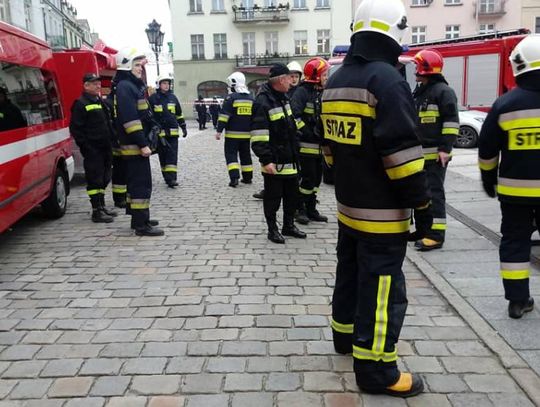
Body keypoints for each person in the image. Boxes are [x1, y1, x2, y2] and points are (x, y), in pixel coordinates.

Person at [322, 0, 432, 397]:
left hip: (348, 206)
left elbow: (329, 150)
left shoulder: (335, 80)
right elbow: (402, 153)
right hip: (383, 213)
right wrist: (422, 205)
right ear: (396, 30)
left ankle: (344, 337)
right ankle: (376, 371)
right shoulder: (386, 79)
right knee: (384, 289)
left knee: (349, 273)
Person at [478, 34, 540, 319]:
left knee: (515, 243)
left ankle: (517, 301)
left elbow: (487, 149)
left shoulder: (505, 104)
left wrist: (488, 179)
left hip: (516, 193)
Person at [251, 63, 306, 244]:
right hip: (274, 161)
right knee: (273, 198)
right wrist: (266, 161)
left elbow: (290, 125)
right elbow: (258, 136)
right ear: (281, 79)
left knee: (292, 197)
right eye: (289, 78)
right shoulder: (262, 102)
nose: (292, 81)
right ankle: (272, 229)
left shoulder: (284, 98)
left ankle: (288, 226)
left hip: (290, 158)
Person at [412, 49, 460, 251]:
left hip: (435, 155)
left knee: (434, 195)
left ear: (425, 68)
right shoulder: (420, 92)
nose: (414, 69)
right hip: (419, 155)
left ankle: (436, 235)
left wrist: (445, 149)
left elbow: (451, 122)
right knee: (420, 195)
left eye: (417, 66)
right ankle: (423, 230)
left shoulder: (443, 92)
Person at [113, 47, 163, 236]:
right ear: (126, 66)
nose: (140, 68)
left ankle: (139, 218)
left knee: (138, 183)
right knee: (141, 184)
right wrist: (142, 144)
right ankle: (141, 225)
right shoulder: (127, 87)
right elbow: (131, 120)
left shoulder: (131, 86)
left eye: (140, 64)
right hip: (134, 145)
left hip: (135, 144)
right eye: (136, 65)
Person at [69, 73, 117, 223]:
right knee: (95, 180)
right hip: (93, 149)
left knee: (105, 177)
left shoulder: (99, 101)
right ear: (86, 86)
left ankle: (102, 206)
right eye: (94, 83)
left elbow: (108, 124)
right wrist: (86, 147)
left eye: (98, 83)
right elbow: (76, 129)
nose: (98, 86)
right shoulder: (80, 103)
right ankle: (96, 211)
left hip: (105, 147)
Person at [291, 57, 330, 225]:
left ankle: (311, 209)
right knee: (307, 179)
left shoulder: (321, 92)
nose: (327, 77)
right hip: (306, 145)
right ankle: (299, 210)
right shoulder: (302, 92)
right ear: (316, 75)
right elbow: (294, 116)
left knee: (316, 180)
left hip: (320, 145)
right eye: (325, 74)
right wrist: (306, 132)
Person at [215, 72, 254, 187]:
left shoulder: (230, 98)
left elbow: (224, 116)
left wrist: (219, 131)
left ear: (233, 84)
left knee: (231, 155)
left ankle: (234, 178)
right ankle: (247, 178)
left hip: (232, 135)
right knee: (246, 156)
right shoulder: (250, 98)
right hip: (247, 135)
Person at [148, 74, 188, 188]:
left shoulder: (173, 98)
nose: (166, 85)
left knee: (172, 155)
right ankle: (167, 177)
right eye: (164, 83)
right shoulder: (153, 99)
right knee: (163, 156)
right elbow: (149, 116)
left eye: (168, 83)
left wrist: (183, 127)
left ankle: (172, 178)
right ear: (159, 85)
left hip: (173, 133)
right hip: (160, 135)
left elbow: (179, 114)